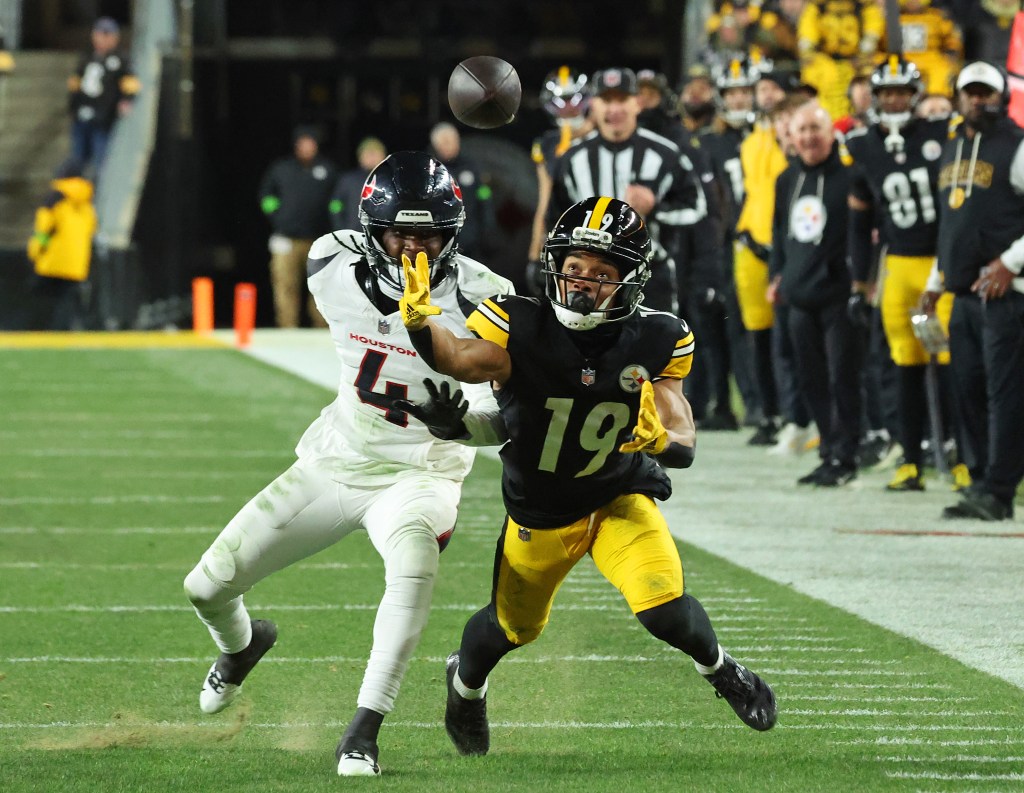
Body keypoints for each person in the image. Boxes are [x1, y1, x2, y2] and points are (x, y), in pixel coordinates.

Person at [396, 195, 778, 757]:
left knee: (664, 607)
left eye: (601, 274)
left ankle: (722, 670)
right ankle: (465, 687)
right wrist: (420, 324)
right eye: (574, 269)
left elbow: (684, 441)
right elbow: (455, 357)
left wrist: (662, 442)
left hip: (617, 494)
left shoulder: (657, 338)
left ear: (629, 281)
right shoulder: (519, 324)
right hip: (541, 510)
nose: (581, 283)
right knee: (509, 629)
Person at [183, 151, 514, 777]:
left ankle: (365, 728)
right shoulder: (331, 263)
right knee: (205, 585)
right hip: (340, 457)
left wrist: (461, 424)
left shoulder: (486, 296)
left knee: (413, 565)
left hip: (423, 469)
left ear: (452, 234)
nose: (415, 248)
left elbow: (509, 420)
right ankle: (243, 644)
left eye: (428, 235)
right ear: (373, 230)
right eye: (401, 233)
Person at [844, 56, 962, 491]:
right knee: (904, 366)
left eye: (901, 93)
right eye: (887, 93)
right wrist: (860, 283)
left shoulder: (940, 133)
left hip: (939, 263)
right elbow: (859, 223)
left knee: (952, 364)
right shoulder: (862, 145)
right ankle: (911, 459)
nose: (894, 101)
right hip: (896, 266)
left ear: (915, 96)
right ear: (874, 98)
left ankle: (961, 455)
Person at [926, 61, 1024, 520]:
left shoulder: (1018, 144)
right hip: (961, 292)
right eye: (971, 92)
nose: (978, 100)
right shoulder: (952, 146)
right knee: (967, 387)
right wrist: (934, 282)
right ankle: (981, 479)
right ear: (959, 97)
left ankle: (1000, 490)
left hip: (1006, 292)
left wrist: (1011, 261)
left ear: (1002, 96)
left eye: (987, 92)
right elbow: (952, 224)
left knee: (1003, 394)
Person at [547, 67, 709, 319]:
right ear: (594, 105)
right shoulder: (572, 159)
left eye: (622, 99)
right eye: (606, 100)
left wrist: (656, 208)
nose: (614, 109)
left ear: (637, 103)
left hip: (650, 275)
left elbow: (697, 209)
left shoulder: (665, 154)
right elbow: (556, 219)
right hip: (588, 277)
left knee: (656, 353)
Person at [770, 102, 863, 486]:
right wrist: (777, 275)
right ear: (791, 136)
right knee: (812, 380)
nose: (808, 137)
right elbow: (779, 232)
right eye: (802, 129)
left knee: (843, 377)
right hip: (798, 296)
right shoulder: (785, 179)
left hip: (839, 295)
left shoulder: (852, 177)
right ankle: (829, 451)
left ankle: (847, 455)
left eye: (816, 129)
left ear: (831, 134)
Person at [258, 126, 337, 328]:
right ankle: (287, 326)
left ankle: (320, 327)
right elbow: (266, 196)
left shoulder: (327, 170)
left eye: (311, 143)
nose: (307, 147)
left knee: (319, 285)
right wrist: (278, 217)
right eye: (303, 143)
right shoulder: (281, 169)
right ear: (296, 146)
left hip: (317, 240)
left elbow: (337, 200)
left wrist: (333, 219)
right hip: (286, 239)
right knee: (285, 285)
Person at [527, 66, 593, 295]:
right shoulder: (547, 144)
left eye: (573, 101)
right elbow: (544, 201)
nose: (567, 109)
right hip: (566, 234)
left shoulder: (602, 135)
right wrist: (535, 254)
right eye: (561, 102)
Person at [26, 158, 96, 330]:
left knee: (39, 301)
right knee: (67, 305)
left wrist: (35, 252)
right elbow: (91, 230)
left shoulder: (54, 200)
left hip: (52, 262)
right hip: (77, 266)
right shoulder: (87, 204)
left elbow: (43, 230)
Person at [67, 16, 140, 176]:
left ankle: (97, 192)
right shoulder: (87, 56)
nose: (103, 39)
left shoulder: (120, 59)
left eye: (107, 35)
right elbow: (75, 82)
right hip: (82, 115)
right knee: (77, 158)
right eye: (100, 34)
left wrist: (126, 101)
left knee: (101, 158)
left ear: (115, 37)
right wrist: (73, 105)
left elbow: (131, 84)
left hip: (103, 117)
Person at [429, 122, 493, 261]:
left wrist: (488, 224)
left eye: (452, 141)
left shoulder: (471, 166)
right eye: (445, 142)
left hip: (470, 237)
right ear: (436, 145)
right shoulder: (430, 171)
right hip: (438, 240)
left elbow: (484, 193)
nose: (449, 145)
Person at [329, 136, 387, 231]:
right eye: (368, 154)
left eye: (375, 153)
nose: (372, 157)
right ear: (360, 157)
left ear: (383, 157)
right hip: (353, 236)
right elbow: (335, 204)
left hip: (380, 238)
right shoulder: (348, 180)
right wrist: (340, 227)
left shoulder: (389, 182)